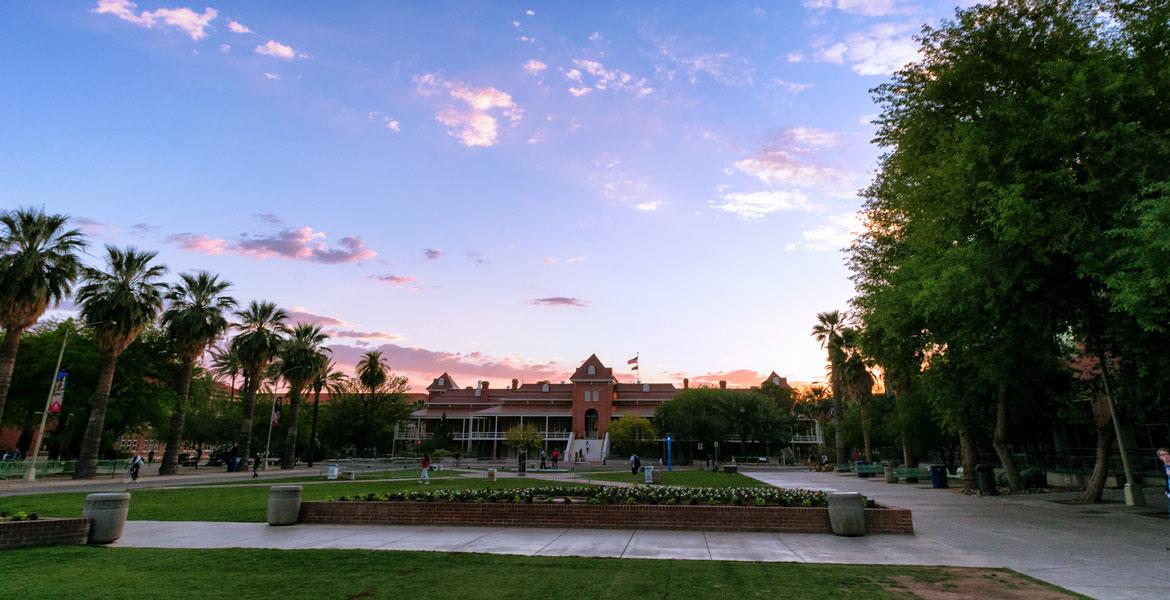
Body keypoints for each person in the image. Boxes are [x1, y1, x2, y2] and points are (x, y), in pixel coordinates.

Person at [1157, 447, 1170, 521]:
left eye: (1167, 453)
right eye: (1163, 455)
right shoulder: (1164, 468)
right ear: (1160, 458)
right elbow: (1166, 480)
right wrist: (1167, 490)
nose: (1166, 456)